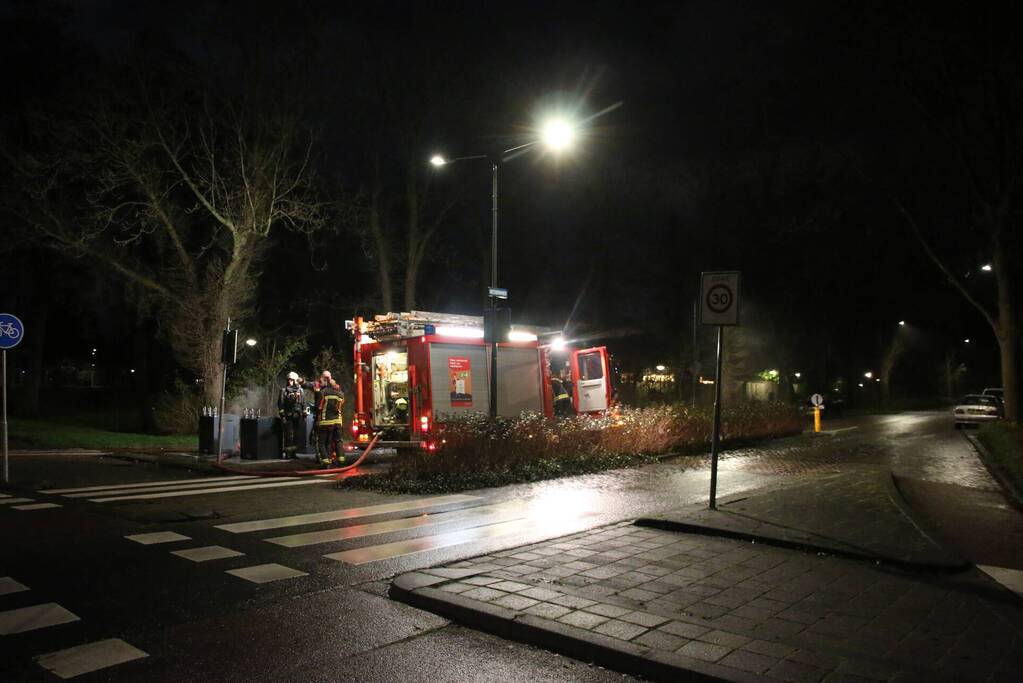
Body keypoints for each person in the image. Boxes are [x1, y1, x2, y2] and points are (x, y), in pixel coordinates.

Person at [315, 379, 345, 467]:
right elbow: (340, 406)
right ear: (335, 385)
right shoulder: (340, 394)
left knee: (322, 442)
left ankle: (326, 462)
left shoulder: (323, 393)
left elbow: (319, 407)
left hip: (325, 422)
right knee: (338, 441)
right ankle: (341, 461)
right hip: (337, 422)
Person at [277, 371, 305, 459]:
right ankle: (288, 454)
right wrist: (283, 417)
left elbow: (303, 403)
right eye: (288, 380)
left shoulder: (301, 390)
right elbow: (280, 404)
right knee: (289, 435)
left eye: (292, 380)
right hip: (288, 416)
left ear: (296, 380)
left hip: (297, 416)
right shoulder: (284, 391)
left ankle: (294, 453)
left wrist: (304, 414)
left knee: (296, 435)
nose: (289, 382)